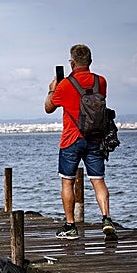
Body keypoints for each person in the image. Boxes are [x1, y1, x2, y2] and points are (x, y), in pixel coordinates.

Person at [44, 44, 116, 240]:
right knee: (98, 181)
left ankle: (70, 226)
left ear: (72, 62)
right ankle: (107, 219)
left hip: (71, 139)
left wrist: (52, 90)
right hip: (95, 138)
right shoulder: (101, 81)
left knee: (67, 182)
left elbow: (48, 108)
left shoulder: (65, 85)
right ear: (90, 61)